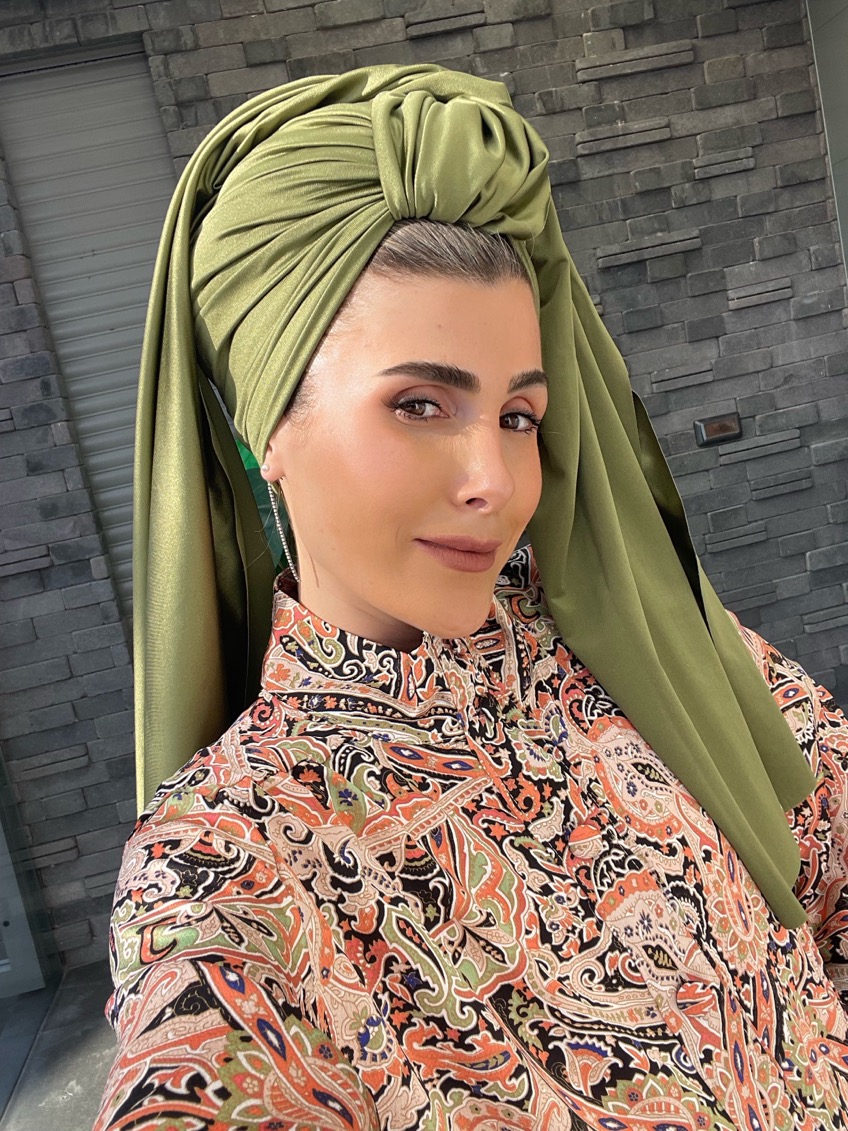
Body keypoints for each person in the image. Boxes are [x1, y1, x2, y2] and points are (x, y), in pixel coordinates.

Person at [94, 65, 848, 1130]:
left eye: (517, 416)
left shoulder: (649, 646)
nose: (493, 480)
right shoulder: (233, 860)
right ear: (268, 430)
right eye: (418, 403)